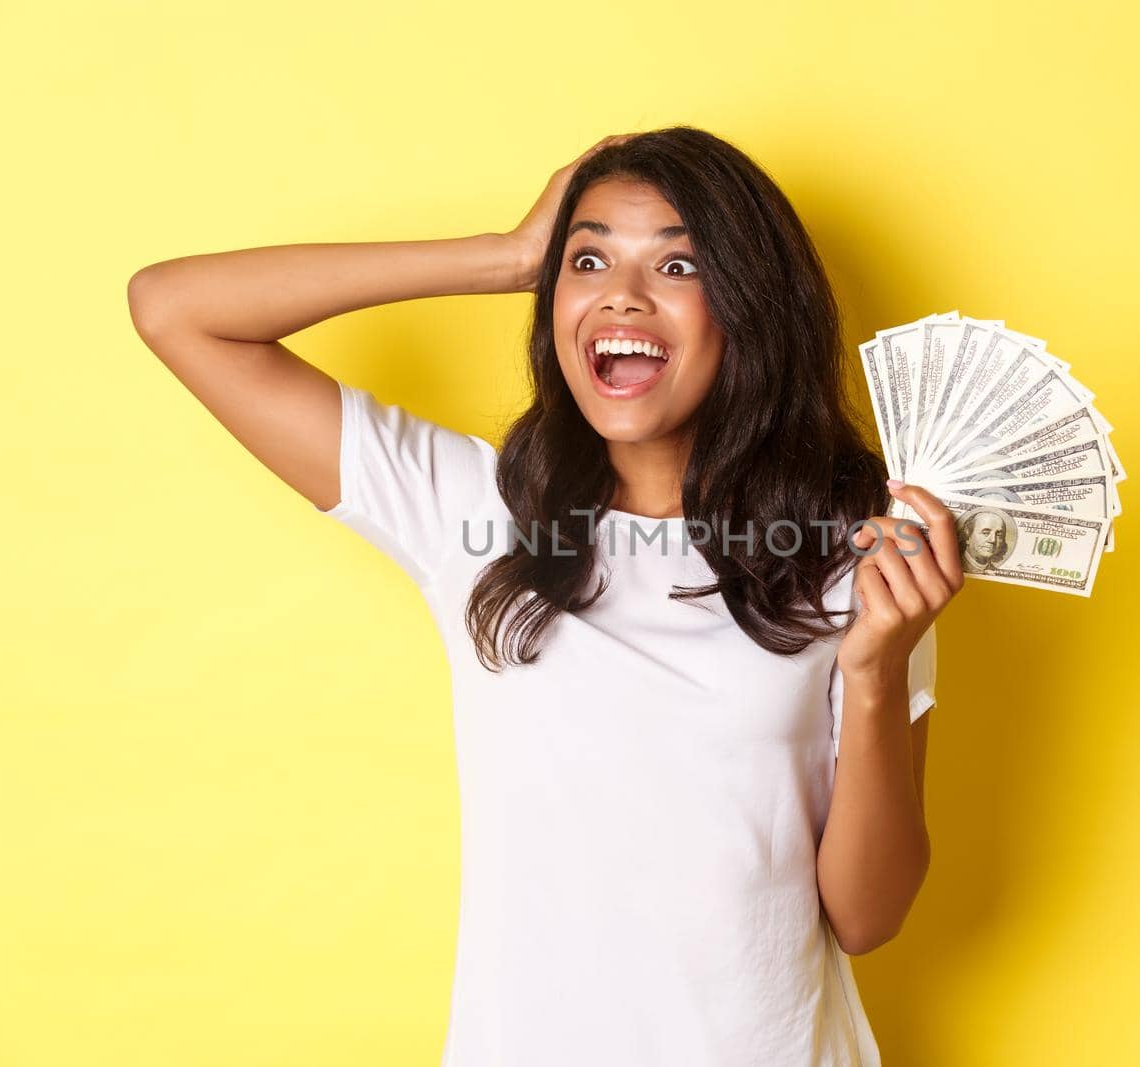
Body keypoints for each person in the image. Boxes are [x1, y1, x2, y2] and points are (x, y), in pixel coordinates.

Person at [126, 126, 966, 1066]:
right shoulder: (472, 514)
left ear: (748, 307)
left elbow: (867, 915)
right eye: (590, 257)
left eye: (678, 263)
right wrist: (508, 253)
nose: (623, 294)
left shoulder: (852, 556)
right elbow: (172, 307)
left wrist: (880, 672)